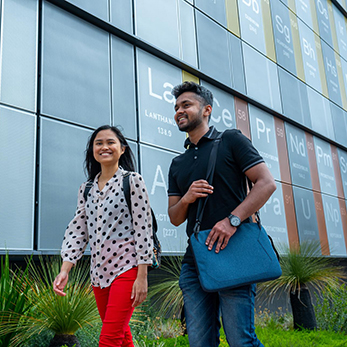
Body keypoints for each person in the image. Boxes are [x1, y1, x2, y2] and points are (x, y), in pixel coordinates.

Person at [168, 82, 276, 347]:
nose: (179, 111)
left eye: (186, 105)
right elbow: (174, 217)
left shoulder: (230, 140)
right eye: (176, 107)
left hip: (234, 251)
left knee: (240, 340)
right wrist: (187, 197)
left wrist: (232, 221)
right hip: (195, 262)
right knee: (199, 342)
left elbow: (266, 183)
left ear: (206, 110)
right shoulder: (177, 163)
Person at [53, 125, 153, 347]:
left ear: (122, 149)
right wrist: (65, 269)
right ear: (92, 150)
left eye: (111, 142)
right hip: (98, 273)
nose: (104, 147)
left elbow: (143, 228)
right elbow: (79, 230)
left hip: (127, 268)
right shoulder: (86, 188)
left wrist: (142, 275)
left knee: (108, 340)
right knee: (122, 335)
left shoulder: (132, 181)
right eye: (99, 143)